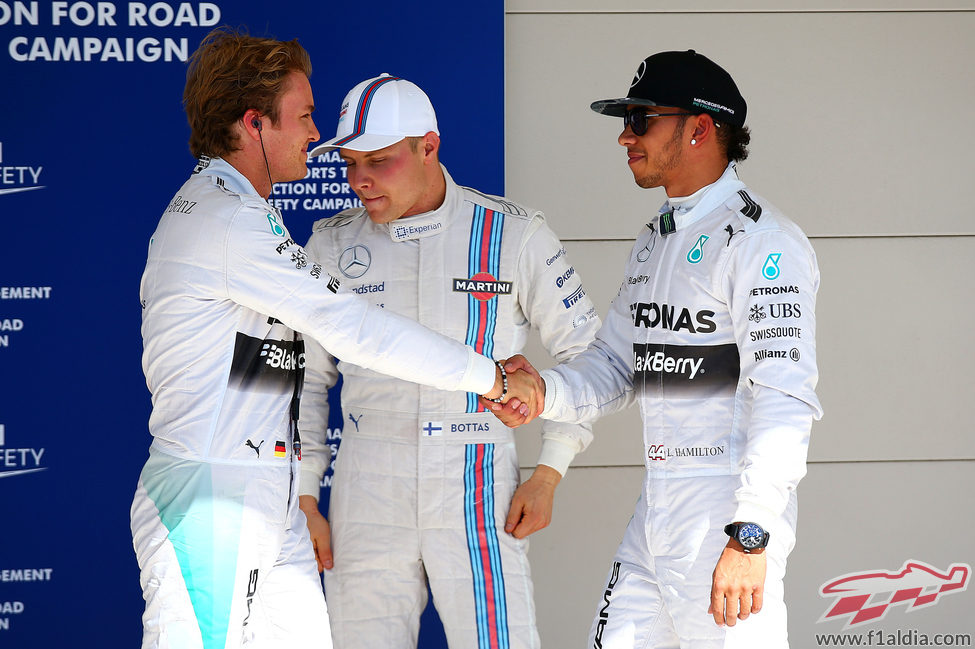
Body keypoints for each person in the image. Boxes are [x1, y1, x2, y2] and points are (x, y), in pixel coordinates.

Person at [130, 31, 535, 649]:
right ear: (253, 124)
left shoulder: (242, 210)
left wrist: (300, 490)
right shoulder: (225, 219)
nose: (315, 135)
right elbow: (355, 328)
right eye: (304, 116)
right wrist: (492, 378)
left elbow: (287, 365)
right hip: (213, 502)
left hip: (266, 498)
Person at [493, 50, 823, 648]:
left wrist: (751, 534)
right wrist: (544, 392)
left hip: (728, 514)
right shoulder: (655, 239)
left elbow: (784, 400)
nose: (624, 136)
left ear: (699, 128)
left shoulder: (765, 243)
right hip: (657, 509)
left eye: (641, 119)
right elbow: (616, 366)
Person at [297, 73, 601, 649]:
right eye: (349, 163)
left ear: (428, 147)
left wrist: (550, 469)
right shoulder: (329, 244)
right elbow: (307, 384)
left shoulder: (514, 233)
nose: (358, 180)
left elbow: (585, 354)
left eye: (379, 162)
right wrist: (307, 496)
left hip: (479, 479)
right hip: (366, 483)